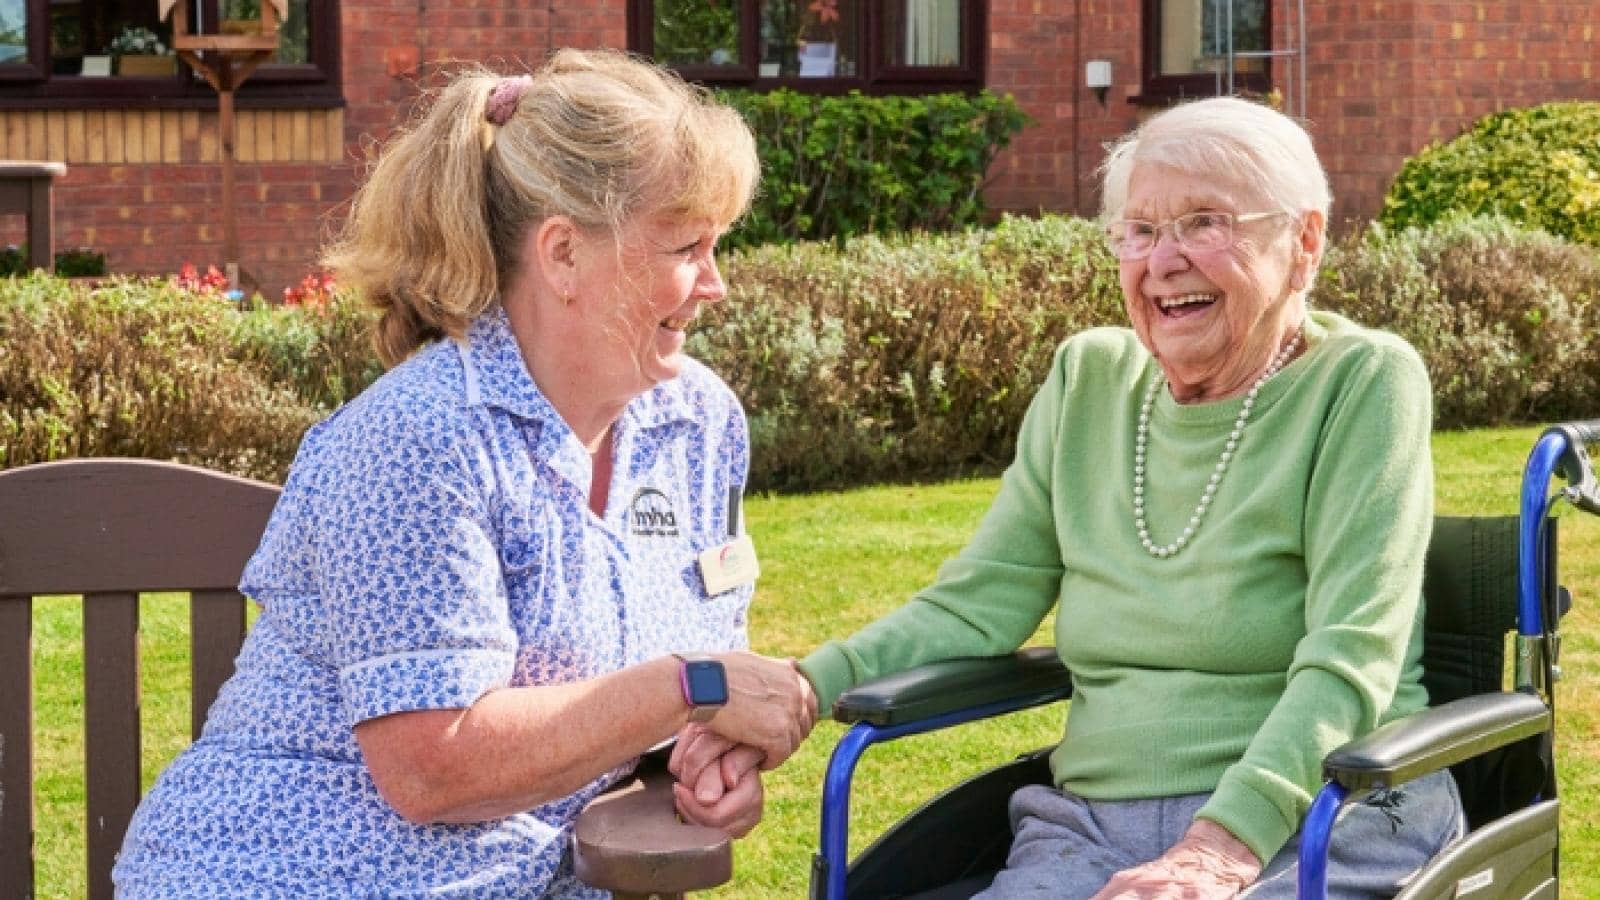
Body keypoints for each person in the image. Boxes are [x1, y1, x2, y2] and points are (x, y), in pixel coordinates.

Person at [677, 96, 1465, 899]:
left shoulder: (1364, 383)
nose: (1163, 259)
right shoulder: (1091, 379)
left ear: (1302, 242)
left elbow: (1352, 658)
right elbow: (977, 602)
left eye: (1203, 223)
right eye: (1141, 230)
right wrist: (803, 689)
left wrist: (1215, 848)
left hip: (1327, 813)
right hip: (1092, 825)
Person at [113, 49, 816, 898]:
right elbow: (432, 768)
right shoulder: (420, 437)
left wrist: (705, 757)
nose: (716, 284)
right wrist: (691, 689)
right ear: (562, 255)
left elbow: (687, 688)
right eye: (686, 246)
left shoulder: (697, 426)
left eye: (719, 245)